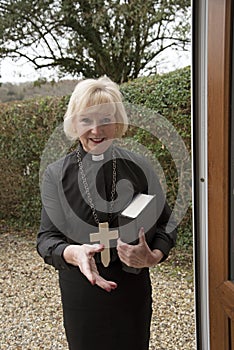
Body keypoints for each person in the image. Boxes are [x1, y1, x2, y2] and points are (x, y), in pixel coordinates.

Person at [37, 76, 177, 350]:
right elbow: (46, 239)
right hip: (82, 293)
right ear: (74, 123)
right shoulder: (56, 175)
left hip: (131, 292)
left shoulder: (139, 167)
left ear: (118, 121)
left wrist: (154, 255)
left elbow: (167, 222)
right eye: (86, 119)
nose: (96, 129)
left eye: (105, 119)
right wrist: (73, 253)